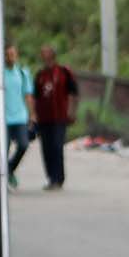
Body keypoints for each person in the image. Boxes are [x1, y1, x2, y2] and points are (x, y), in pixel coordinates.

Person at [33, 45, 79, 191]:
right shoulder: (40, 75)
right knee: (46, 148)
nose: (43, 55)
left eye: (46, 52)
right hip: (44, 118)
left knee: (57, 146)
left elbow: (73, 92)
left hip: (59, 117)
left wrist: (72, 111)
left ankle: (59, 177)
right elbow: (35, 97)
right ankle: (51, 177)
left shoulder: (63, 72)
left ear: (52, 55)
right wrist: (33, 115)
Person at [3, 44, 36, 188]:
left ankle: (10, 168)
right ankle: (3, 176)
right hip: (4, 118)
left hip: (19, 117)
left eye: (13, 54)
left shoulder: (22, 73)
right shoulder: (0, 73)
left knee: (23, 144)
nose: (11, 57)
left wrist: (32, 114)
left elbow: (28, 95)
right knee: (4, 148)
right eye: (8, 54)